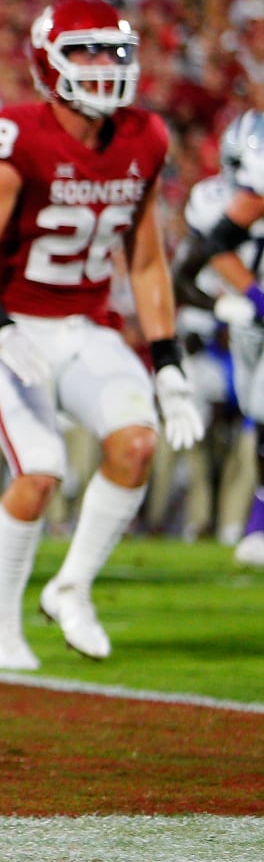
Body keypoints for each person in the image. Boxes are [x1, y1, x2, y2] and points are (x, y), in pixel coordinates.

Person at [0, 0, 202, 670]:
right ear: (47, 62)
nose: (103, 65)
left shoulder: (145, 136)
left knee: (136, 444)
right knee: (39, 474)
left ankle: (71, 586)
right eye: (85, 51)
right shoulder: (18, 135)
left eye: (114, 51)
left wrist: (168, 360)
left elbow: (145, 258)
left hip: (88, 324)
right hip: (16, 326)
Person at [175, 107, 264, 567]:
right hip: (235, 331)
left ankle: (256, 525)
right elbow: (182, 278)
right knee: (253, 418)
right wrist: (230, 305)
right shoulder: (213, 202)